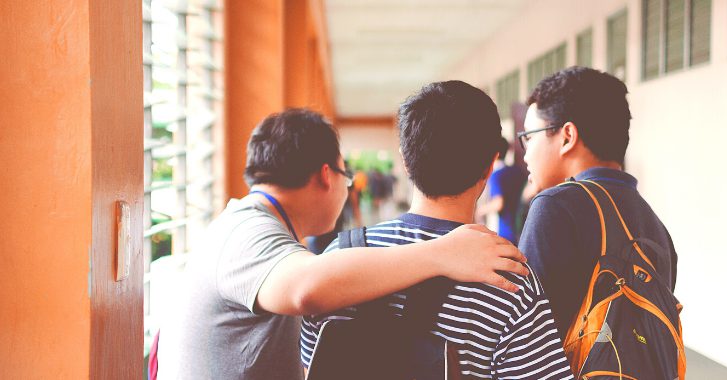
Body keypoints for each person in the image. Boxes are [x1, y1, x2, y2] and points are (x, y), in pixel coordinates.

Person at [157, 109, 527, 380]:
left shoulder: (242, 224)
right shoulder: (246, 232)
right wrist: (443, 253)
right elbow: (306, 289)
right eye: (345, 175)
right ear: (326, 175)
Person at [301, 81, 573, 379]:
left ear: (406, 161)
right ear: (489, 165)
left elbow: (309, 369)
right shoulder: (508, 279)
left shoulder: (335, 264)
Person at [518, 66, 678, 339]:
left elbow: (525, 337)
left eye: (529, 137)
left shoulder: (554, 206)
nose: (525, 154)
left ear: (567, 136)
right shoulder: (654, 224)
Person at [476, 136, 525, 244]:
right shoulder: (517, 171)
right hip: (522, 229)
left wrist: (479, 211)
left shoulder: (495, 175)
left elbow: (498, 203)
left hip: (504, 232)